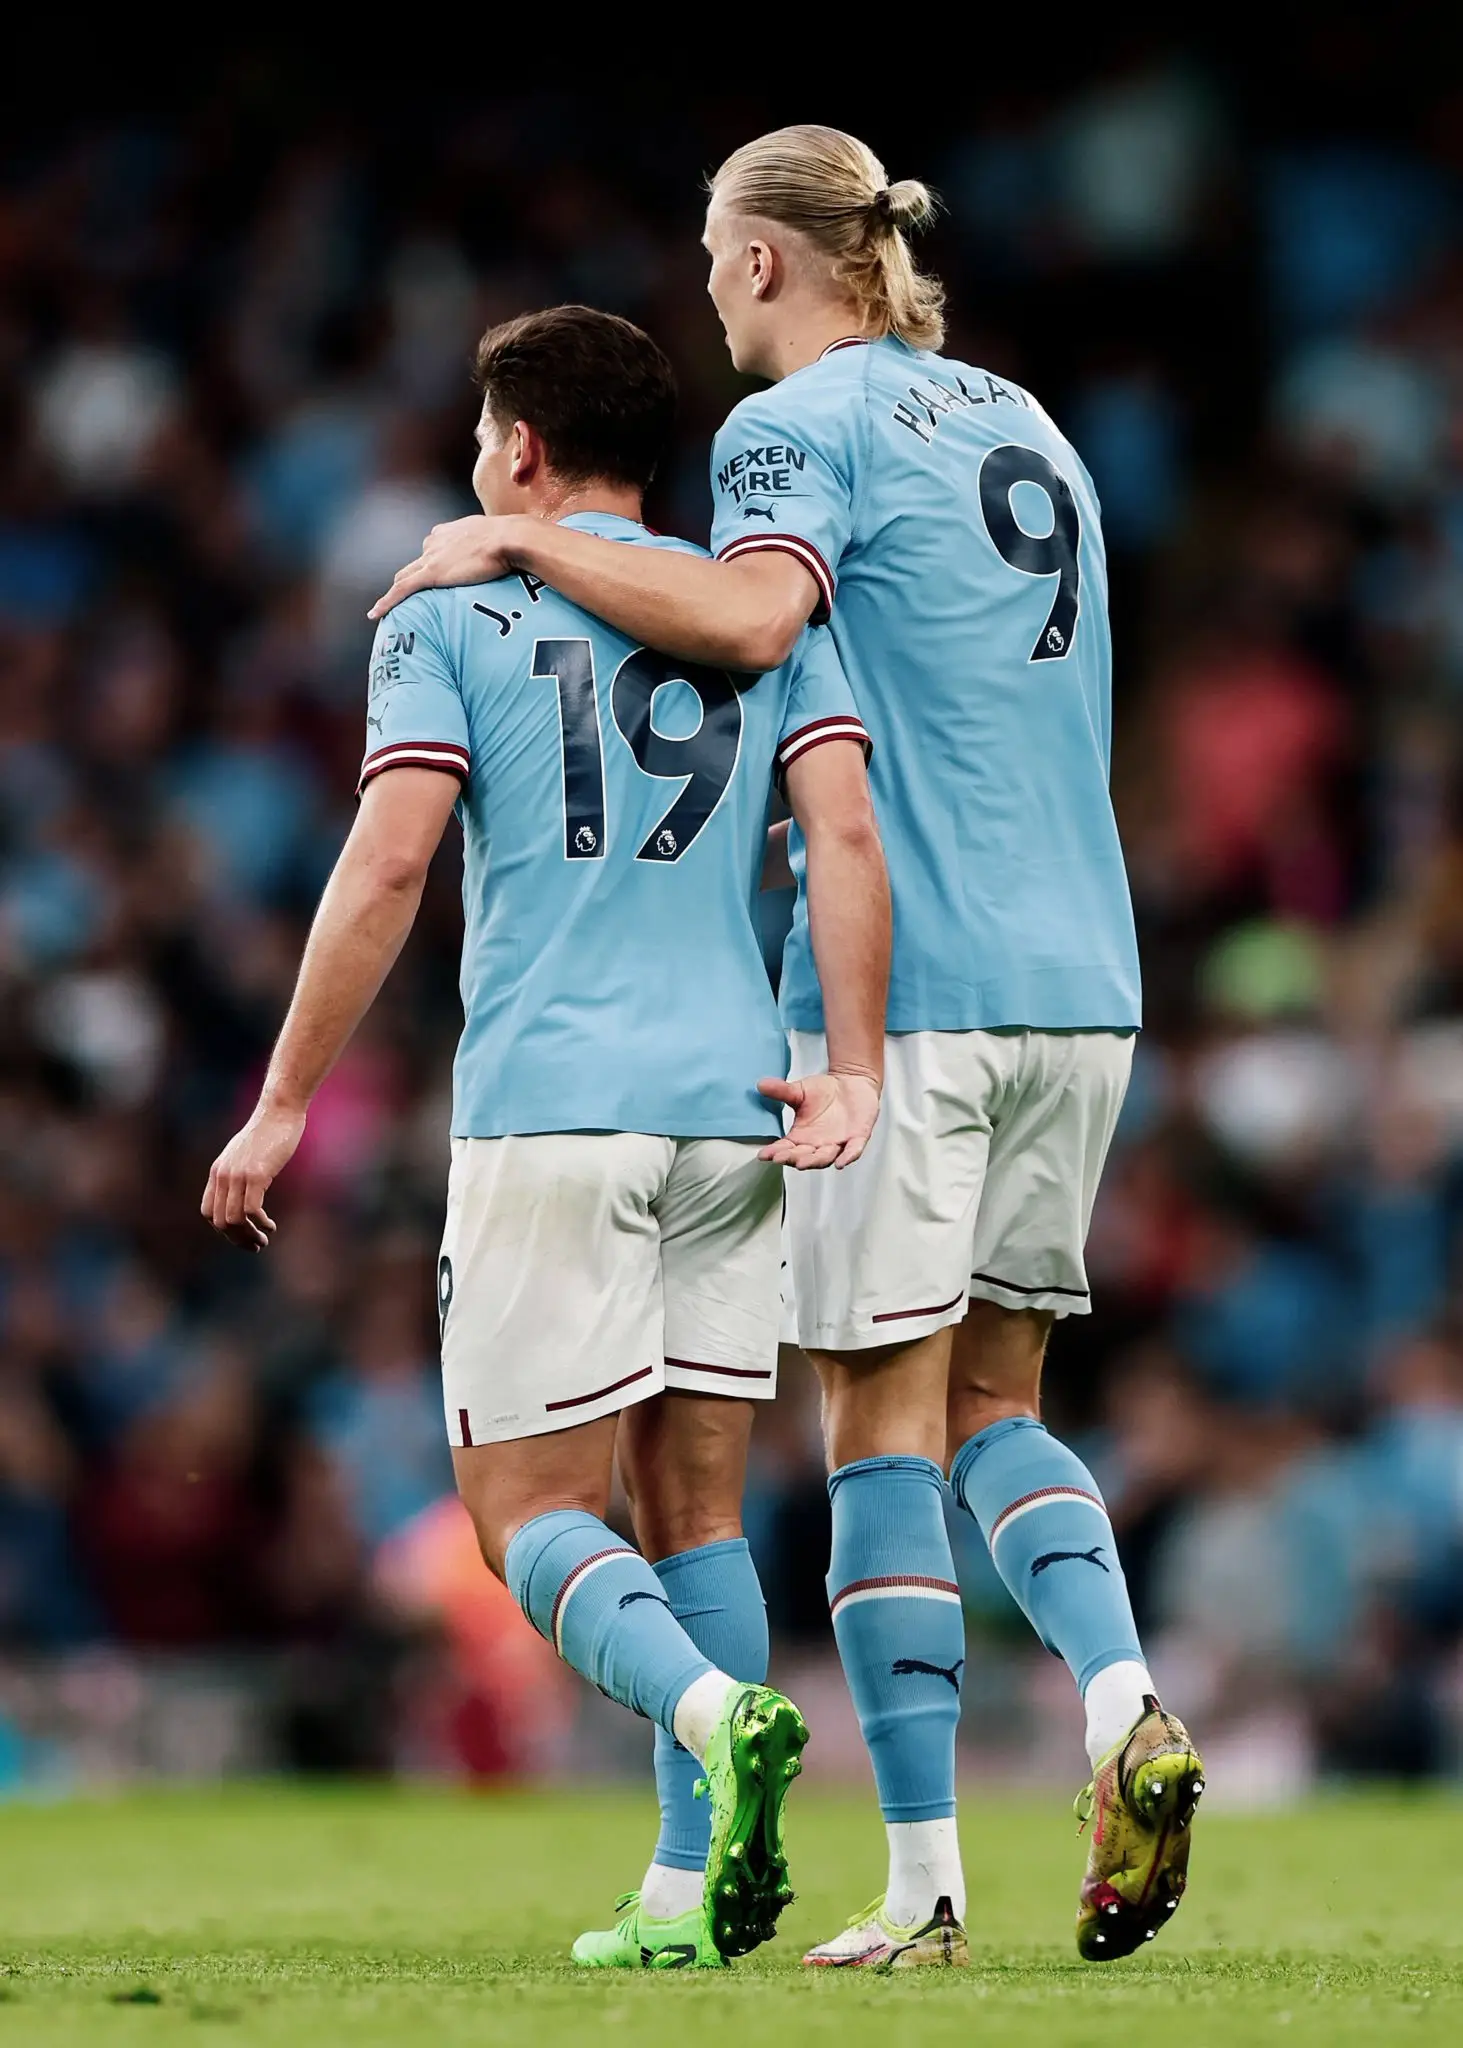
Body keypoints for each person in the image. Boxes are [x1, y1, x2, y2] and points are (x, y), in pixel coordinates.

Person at [369, 127, 1204, 1971]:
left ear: (758, 260)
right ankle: (1118, 1695)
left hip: (920, 983)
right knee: (1004, 1405)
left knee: (880, 1433)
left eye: (706, 254)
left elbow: (751, 615)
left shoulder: (784, 430)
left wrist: (517, 535)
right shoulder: (1026, 426)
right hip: (1090, 967)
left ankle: (918, 1888)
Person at [205, 303, 890, 1968]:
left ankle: (720, 1714)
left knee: (520, 1515)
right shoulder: (759, 612)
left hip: (554, 1106)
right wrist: (849, 1059)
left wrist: (285, 1098)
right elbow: (846, 834)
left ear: (516, 447)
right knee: (698, 1512)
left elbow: (383, 869)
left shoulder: (452, 605)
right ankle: (681, 1891)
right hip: (740, 1110)